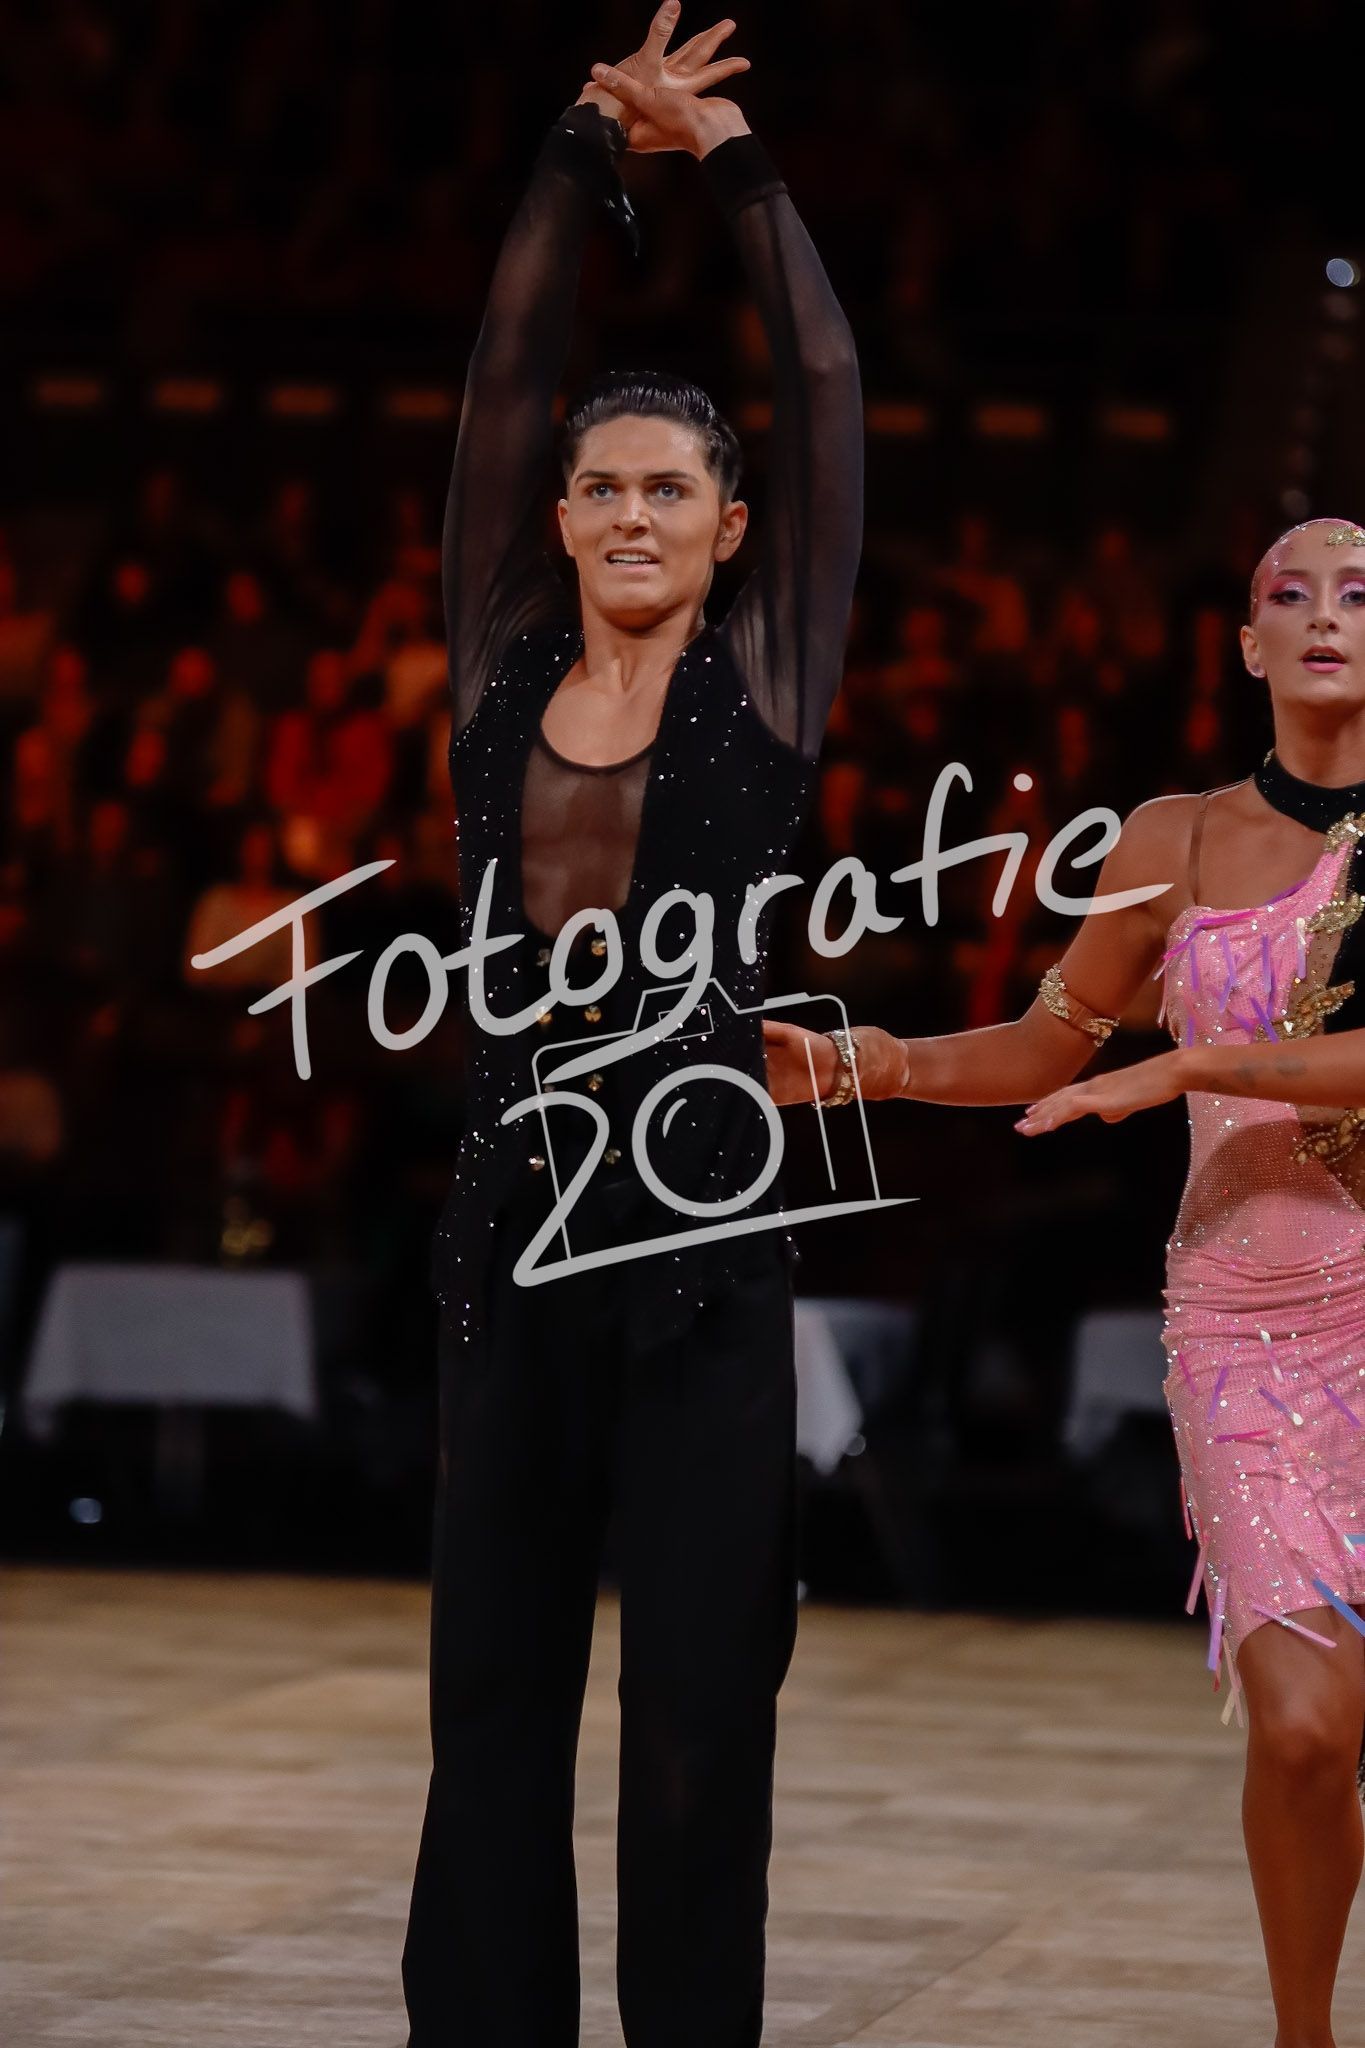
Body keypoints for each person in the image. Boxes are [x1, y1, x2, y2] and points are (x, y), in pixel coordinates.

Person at [403, 8, 863, 2045]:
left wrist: (734, 161)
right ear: (562, 512)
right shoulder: (497, 656)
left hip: (702, 1252)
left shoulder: (766, 671)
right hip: (509, 1232)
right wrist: (572, 159)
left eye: (669, 488)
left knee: (694, 1716)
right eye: (599, 486)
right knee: (491, 1706)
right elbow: (503, 378)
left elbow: (824, 394)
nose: (627, 514)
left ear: (729, 527)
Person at [765, 515, 1365, 2048]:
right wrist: (869, 1063)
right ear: (1244, 643)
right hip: (1246, 1322)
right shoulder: (1165, 839)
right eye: (1287, 594)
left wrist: (1194, 1063)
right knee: (1304, 1730)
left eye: (1358, 595)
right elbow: (1051, 1042)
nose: (1322, 617)